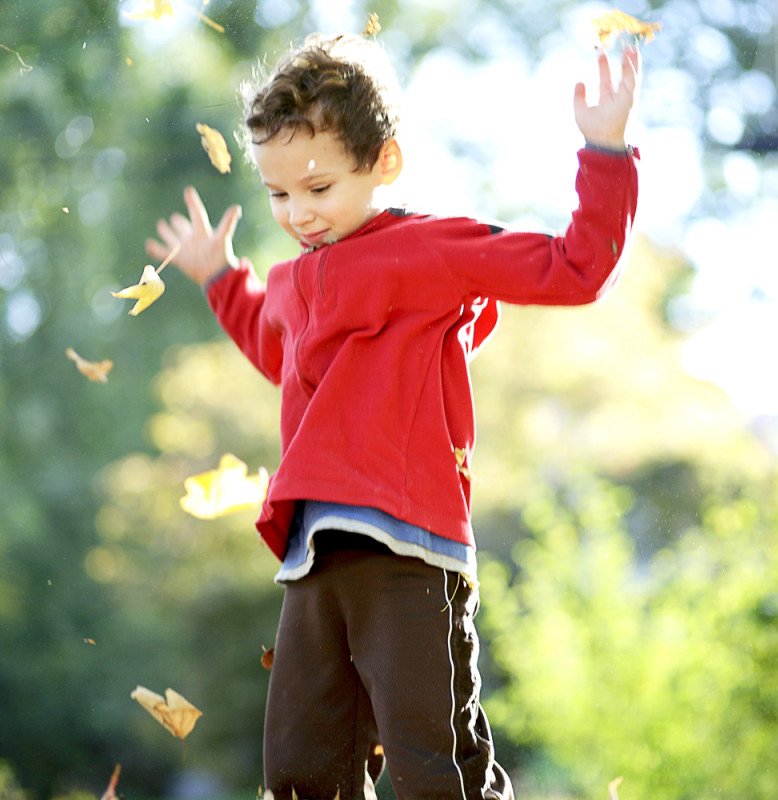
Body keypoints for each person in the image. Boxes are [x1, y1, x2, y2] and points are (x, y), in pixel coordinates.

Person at [146, 30, 640, 800]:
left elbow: (578, 268)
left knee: (429, 766)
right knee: (302, 768)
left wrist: (605, 154)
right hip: (314, 555)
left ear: (384, 163)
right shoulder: (289, 282)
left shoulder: (429, 250)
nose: (299, 213)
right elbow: (280, 355)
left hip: (409, 549)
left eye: (318, 189)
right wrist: (220, 279)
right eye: (279, 195)